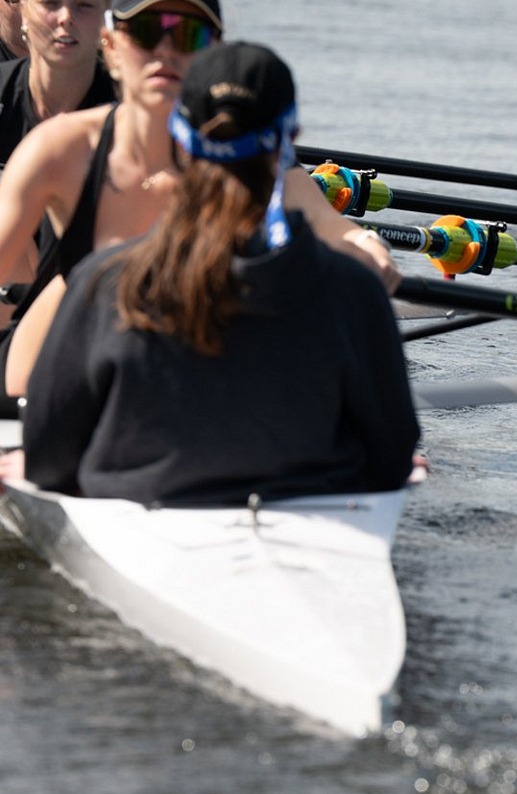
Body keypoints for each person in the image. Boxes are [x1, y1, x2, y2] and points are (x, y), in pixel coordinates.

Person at [18, 40, 418, 505]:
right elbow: (392, 458)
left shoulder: (104, 281)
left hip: (140, 509)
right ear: (289, 141)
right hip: (311, 510)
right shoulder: (355, 291)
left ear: (179, 140)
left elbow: (47, 461)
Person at [0, 0, 397, 409]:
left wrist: (368, 248)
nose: (166, 52)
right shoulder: (59, 150)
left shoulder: (241, 152)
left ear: (214, 54)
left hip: (177, 379)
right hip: (52, 385)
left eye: (189, 35)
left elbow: (326, 223)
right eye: (148, 32)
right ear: (112, 46)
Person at [0, 0, 118, 163]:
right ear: (24, 12)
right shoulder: (3, 89)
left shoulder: (131, 107)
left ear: (105, 14)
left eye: (84, 5)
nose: (66, 18)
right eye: (51, 3)